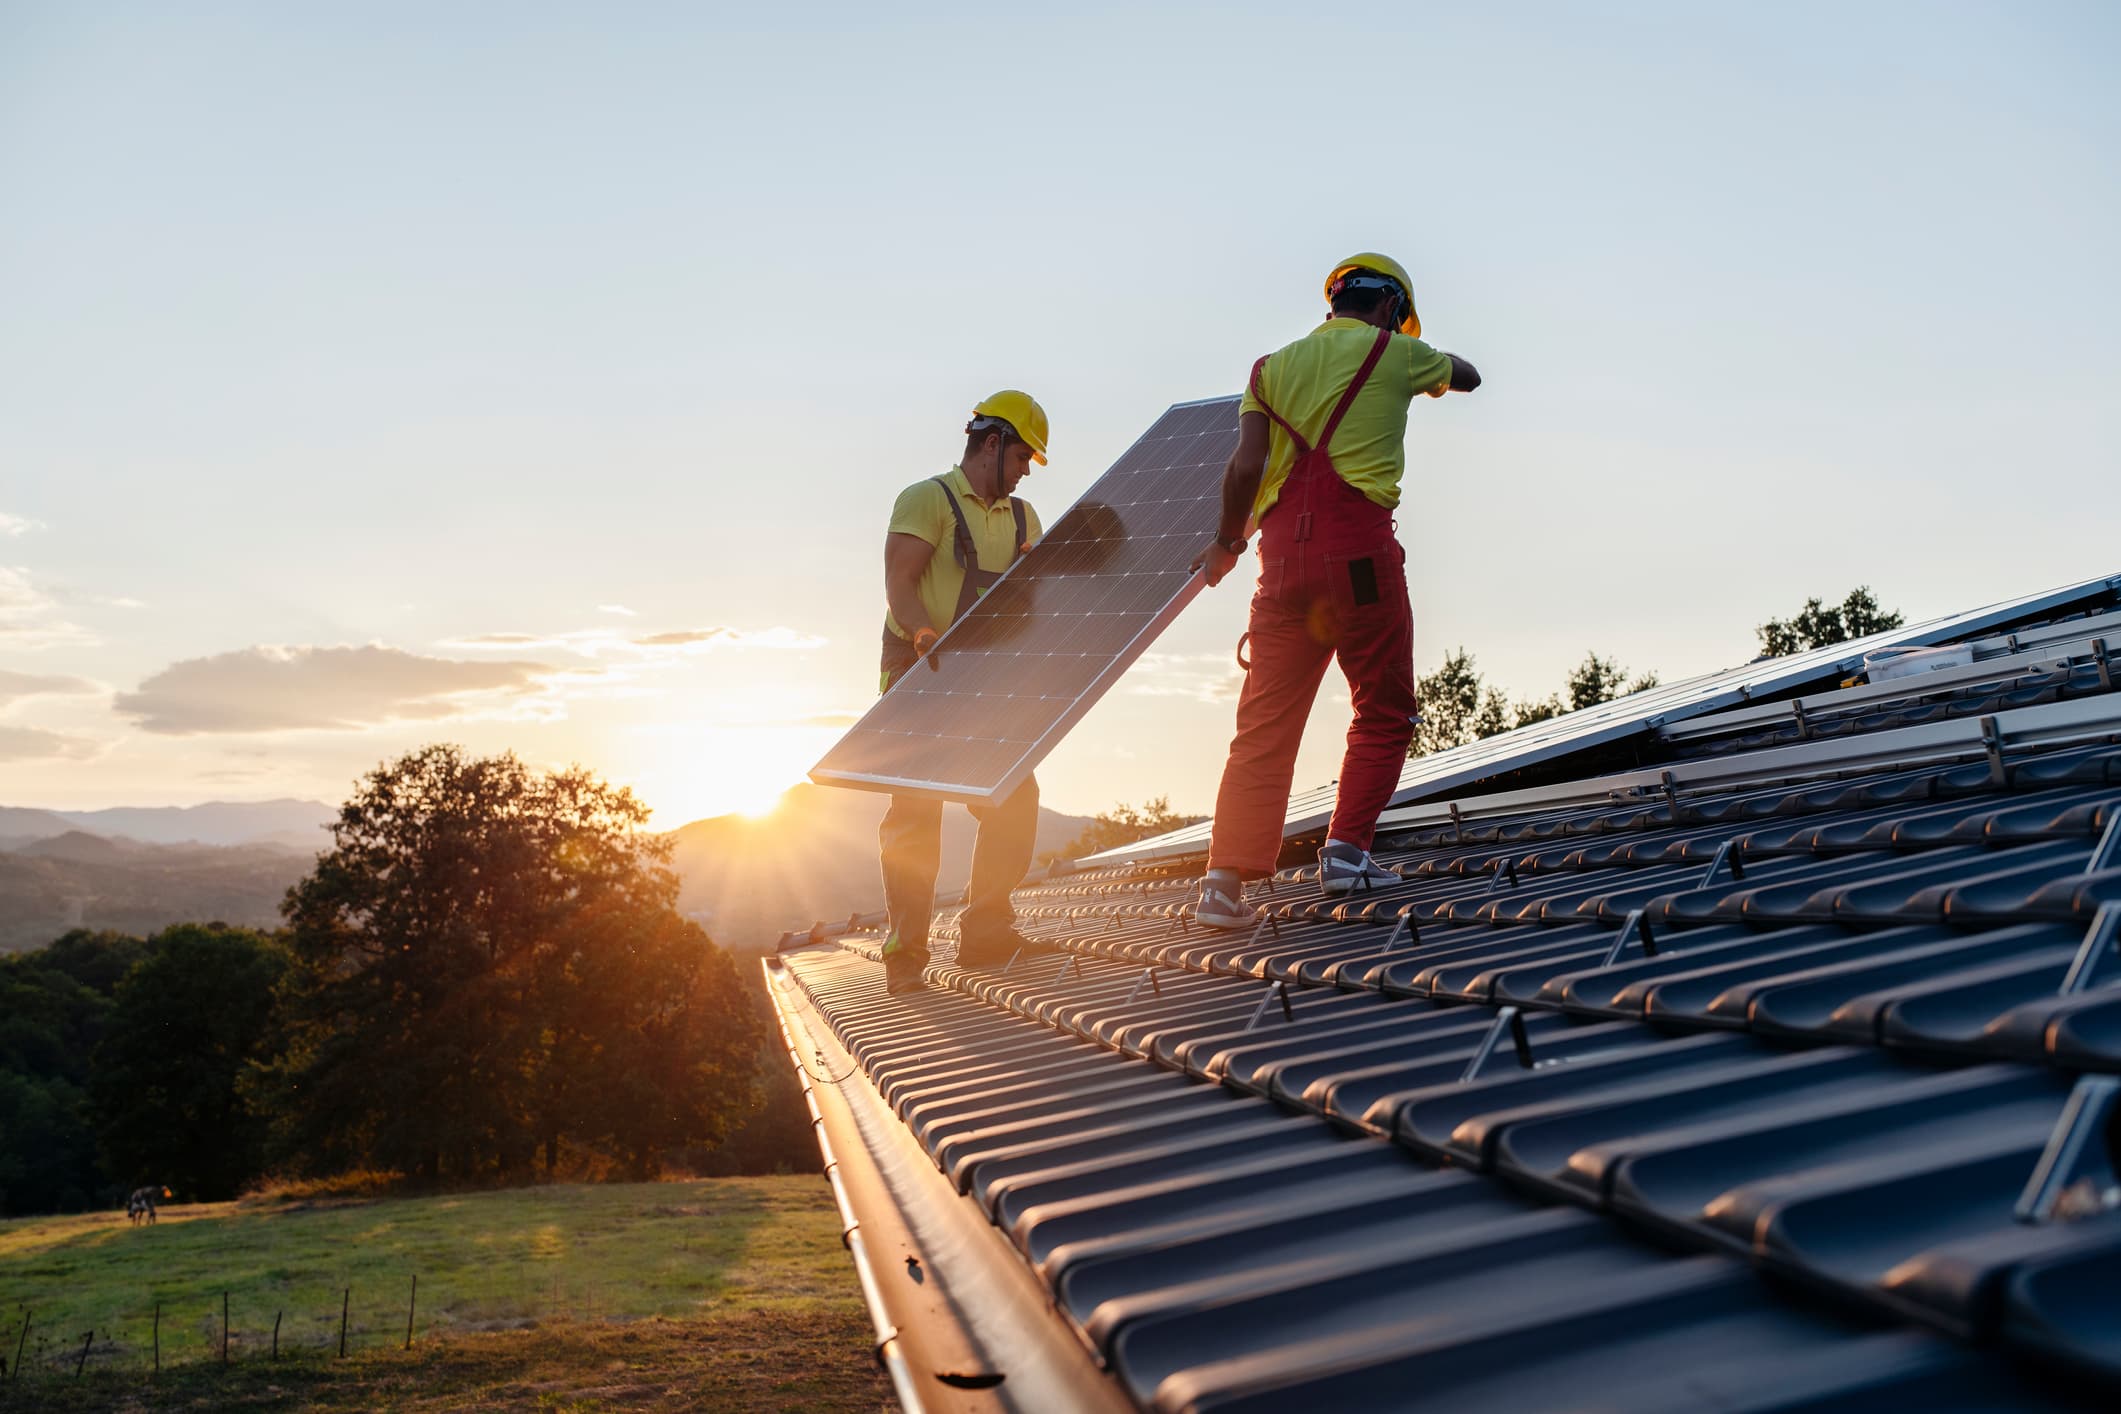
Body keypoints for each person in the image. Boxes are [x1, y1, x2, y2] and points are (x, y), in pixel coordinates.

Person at [1191, 254, 1481, 927]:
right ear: (1387, 307)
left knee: (1261, 725)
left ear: (1333, 304)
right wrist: (1415, 348)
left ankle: (1221, 884)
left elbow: (1245, 466)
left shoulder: (1269, 369)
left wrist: (1227, 542)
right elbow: (1467, 376)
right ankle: (1346, 855)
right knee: (1382, 708)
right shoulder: (1396, 351)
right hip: (1358, 559)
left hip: (1280, 564)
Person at [877, 391, 1051, 992]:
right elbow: (899, 582)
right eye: (1023, 455)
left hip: (982, 681)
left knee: (1013, 794)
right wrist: (925, 632)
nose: (1026, 469)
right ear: (993, 442)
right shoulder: (928, 499)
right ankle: (906, 954)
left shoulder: (1025, 518)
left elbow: (1033, 604)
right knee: (915, 815)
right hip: (918, 672)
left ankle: (986, 933)